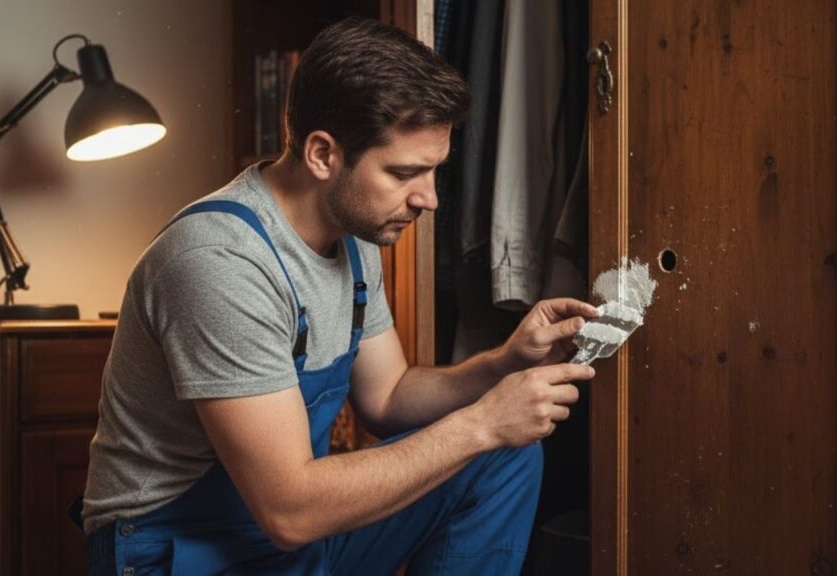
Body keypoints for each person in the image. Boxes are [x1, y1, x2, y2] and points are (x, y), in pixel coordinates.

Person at [78, 17, 598, 576]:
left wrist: (504, 363)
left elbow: (389, 397)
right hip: (179, 550)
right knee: (488, 439)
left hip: (286, 536)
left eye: (434, 172)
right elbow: (289, 509)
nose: (429, 199)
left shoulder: (354, 236)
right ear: (323, 154)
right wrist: (484, 422)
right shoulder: (218, 262)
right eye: (405, 173)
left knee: (506, 457)